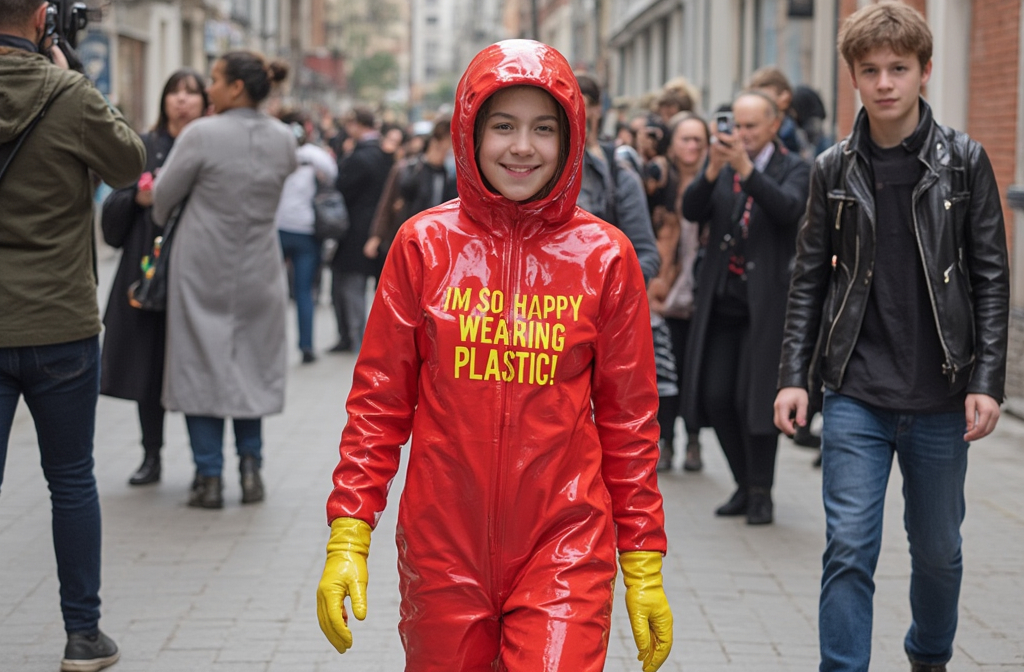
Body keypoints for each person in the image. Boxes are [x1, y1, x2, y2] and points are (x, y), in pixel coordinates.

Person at [316, 39, 672, 672]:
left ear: (570, 138)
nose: (522, 147)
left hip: (566, 540)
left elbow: (630, 422)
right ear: (468, 132)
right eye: (502, 125)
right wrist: (350, 530)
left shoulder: (606, 257)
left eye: (542, 128)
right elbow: (379, 402)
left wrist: (642, 559)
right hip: (440, 543)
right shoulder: (422, 244)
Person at [774, 5, 1009, 671]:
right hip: (856, 392)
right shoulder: (832, 169)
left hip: (940, 394)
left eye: (898, 69)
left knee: (938, 550)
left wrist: (987, 381)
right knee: (848, 545)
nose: (885, 83)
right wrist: (795, 375)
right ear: (853, 76)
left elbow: (991, 277)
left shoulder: (964, 163)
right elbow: (808, 281)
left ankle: (929, 654)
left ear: (925, 72)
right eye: (871, 70)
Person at [0, 0, 146, 668]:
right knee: (70, 480)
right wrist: (68, 72)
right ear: (39, 16)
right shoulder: (69, 93)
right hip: (60, 323)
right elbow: (129, 165)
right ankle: (83, 636)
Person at [152, 50, 297, 510]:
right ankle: (251, 468)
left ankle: (208, 476)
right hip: (260, 265)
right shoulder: (283, 139)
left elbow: (162, 200)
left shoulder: (201, 134)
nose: (207, 88)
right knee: (250, 367)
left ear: (236, 87)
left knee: (200, 367)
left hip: (201, 265)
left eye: (214, 79)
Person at [681, 91, 810, 525]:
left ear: (775, 125)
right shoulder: (721, 164)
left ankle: (761, 492)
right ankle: (741, 482)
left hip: (766, 305)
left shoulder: (795, 166)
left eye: (752, 126)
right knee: (716, 398)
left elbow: (788, 208)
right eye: (737, 125)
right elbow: (692, 209)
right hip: (722, 301)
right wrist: (713, 171)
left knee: (754, 402)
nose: (742, 134)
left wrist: (747, 171)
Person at [100, 69, 209, 486]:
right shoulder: (145, 146)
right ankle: (152, 456)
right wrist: (138, 198)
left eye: (191, 92)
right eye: (174, 92)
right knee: (147, 364)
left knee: (196, 367)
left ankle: (206, 463)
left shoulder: (208, 142)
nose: (181, 100)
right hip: (147, 268)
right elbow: (114, 208)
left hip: (196, 268)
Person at [650, 112, 711, 473]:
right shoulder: (661, 183)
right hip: (663, 292)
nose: (692, 146)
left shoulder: (715, 180)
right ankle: (667, 441)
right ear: (672, 144)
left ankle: (693, 441)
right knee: (663, 373)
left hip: (700, 294)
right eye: (685, 139)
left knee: (693, 372)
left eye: (697, 140)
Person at [275, 109, 338, 364]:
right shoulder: (315, 156)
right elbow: (333, 176)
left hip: (277, 228)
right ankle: (307, 345)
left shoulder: (275, 152)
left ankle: (270, 348)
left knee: (272, 292)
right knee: (304, 291)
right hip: (306, 231)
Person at [329, 106, 394, 353]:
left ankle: (355, 337)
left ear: (357, 124)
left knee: (349, 284)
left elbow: (342, 186)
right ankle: (362, 337)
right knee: (368, 285)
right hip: (377, 228)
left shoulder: (359, 157)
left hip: (356, 229)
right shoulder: (384, 153)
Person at [364, 117, 457, 264]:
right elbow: (387, 203)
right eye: (450, 140)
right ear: (438, 139)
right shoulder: (407, 169)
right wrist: (376, 236)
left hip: (432, 247)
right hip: (402, 240)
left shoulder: (449, 176)